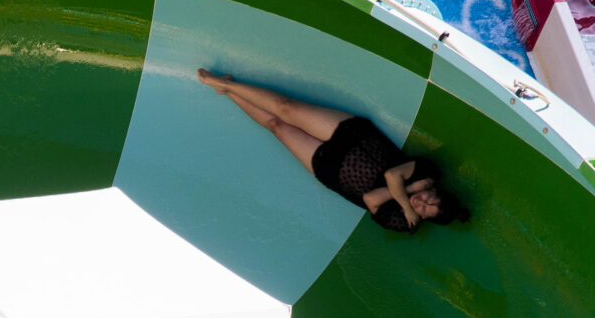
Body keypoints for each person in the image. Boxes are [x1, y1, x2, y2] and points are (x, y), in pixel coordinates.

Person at [198, 71, 469, 233]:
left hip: (330, 171)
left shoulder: (404, 221)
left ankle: (228, 90)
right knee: (287, 109)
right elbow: (391, 175)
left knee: (276, 126)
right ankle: (224, 83)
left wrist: (407, 196)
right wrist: (406, 193)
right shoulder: (428, 173)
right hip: (353, 138)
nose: (420, 203)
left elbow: (371, 199)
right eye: (428, 199)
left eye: (423, 210)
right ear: (436, 191)